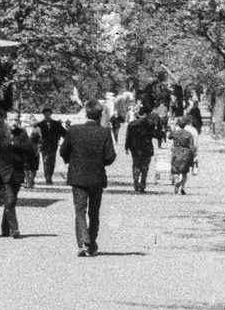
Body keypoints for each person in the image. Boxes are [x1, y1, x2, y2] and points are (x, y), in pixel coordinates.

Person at [62, 101, 117, 255]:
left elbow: (63, 150)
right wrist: (100, 163)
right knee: (94, 212)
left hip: (77, 176)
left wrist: (71, 161)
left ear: (86, 113)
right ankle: (91, 243)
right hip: (96, 176)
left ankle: (83, 243)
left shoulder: (74, 130)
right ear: (100, 115)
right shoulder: (105, 133)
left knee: (80, 210)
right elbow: (110, 156)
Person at [1, 114, 38, 237]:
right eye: (11, 119)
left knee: (11, 200)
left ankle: (4, 227)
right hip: (3, 171)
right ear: (6, 120)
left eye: (15, 120)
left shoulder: (22, 134)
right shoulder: (0, 133)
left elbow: (29, 149)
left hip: (17, 171)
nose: (13, 122)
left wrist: (31, 169)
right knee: (10, 199)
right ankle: (14, 229)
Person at [128, 107, 159, 193]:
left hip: (135, 147)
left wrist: (127, 147)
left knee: (136, 164)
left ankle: (136, 181)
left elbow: (128, 136)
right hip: (147, 147)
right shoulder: (150, 124)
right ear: (146, 114)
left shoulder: (132, 124)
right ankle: (142, 185)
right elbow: (154, 135)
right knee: (145, 166)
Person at [168, 119, 198, 195]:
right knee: (184, 172)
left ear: (178, 125)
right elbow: (192, 146)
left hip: (176, 152)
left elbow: (169, 136)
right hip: (186, 153)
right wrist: (195, 155)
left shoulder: (175, 133)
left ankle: (177, 181)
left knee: (175, 170)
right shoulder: (188, 134)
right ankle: (182, 187)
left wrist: (174, 128)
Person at [37, 110, 66, 184]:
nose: (47, 115)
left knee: (52, 161)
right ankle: (48, 177)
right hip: (44, 146)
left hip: (53, 145)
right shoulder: (40, 124)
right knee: (46, 161)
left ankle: (50, 175)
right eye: (45, 113)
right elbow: (36, 135)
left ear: (50, 114)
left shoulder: (56, 123)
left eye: (48, 113)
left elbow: (64, 133)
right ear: (43, 114)